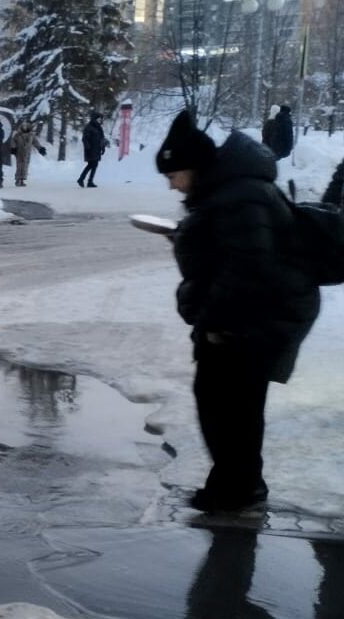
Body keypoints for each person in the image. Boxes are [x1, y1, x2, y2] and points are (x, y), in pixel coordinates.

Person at [155, 109, 319, 513]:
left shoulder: (239, 195)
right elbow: (229, 253)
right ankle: (236, 485)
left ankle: (237, 490)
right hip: (249, 320)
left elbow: (248, 265)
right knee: (229, 407)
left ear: (193, 166)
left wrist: (211, 318)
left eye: (173, 174)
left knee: (230, 408)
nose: (172, 185)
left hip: (250, 324)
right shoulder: (228, 193)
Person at [10, 118, 47, 187]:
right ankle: (17, 179)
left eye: (26, 126)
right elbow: (13, 141)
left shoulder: (31, 135)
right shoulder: (17, 135)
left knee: (25, 166)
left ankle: (22, 180)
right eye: (23, 126)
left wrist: (40, 149)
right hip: (19, 152)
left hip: (27, 153)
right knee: (19, 166)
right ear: (21, 127)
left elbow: (36, 143)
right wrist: (13, 148)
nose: (25, 127)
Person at [77, 111, 107, 187]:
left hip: (97, 150)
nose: (100, 120)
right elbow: (85, 138)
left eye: (101, 119)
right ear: (95, 119)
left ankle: (87, 181)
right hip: (91, 149)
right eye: (99, 119)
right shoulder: (89, 127)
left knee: (93, 165)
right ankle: (84, 180)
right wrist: (88, 148)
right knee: (91, 165)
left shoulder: (99, 128)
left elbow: (102, 139)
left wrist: (103, 147)